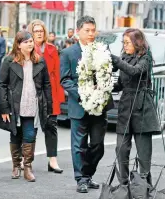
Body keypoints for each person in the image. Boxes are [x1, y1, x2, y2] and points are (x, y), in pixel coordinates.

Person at [60, 16, 114, 193]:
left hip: (100, 106)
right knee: (79, 145)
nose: (91, 34)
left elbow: (109, 72)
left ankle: (88, 174)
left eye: (93, 30)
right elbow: (65, 80)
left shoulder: (103, 49)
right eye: (87, 31)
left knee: (97, 145)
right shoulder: (69, 53)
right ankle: (81, 178)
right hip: (79, 105)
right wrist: (83, 94)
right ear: (78, 32)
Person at [0, 31, 52, 182]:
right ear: (19, 44)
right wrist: (4, 108)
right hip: (15, 105)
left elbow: (46, 85)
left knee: (30, 135)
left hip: (33, 104)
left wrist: (49, 106)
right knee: (15, 134)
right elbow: (1, 85)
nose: (30, 44)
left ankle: (27, 167)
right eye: (26, 41)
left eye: (31, 41)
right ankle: (16, 165)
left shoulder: (40, 61)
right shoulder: (9, 61)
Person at [111, 28, 161, 186]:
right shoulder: (124, 57)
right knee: (121, 148)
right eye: (123, 42)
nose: (124, 45)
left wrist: (116, 61)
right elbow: (121, 84)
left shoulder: (145, 57)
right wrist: (105, 86)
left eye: (127, 42)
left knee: (143, 152)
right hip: (126, 104)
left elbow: (135, 71)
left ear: (136, 42)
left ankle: (144, 186)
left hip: (142, 106)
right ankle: (124, 184)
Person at [27, 19, 65, 173]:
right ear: (31, 33)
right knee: (31, 128)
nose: (39, 33)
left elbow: (57, 73)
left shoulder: (52, 49)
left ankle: (53, 160)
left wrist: (58, 96)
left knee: (51, 127)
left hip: (50, 93)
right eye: (36, 31)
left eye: (41, 31)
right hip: (32, 92)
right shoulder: (27, 49)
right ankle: (27, 161)